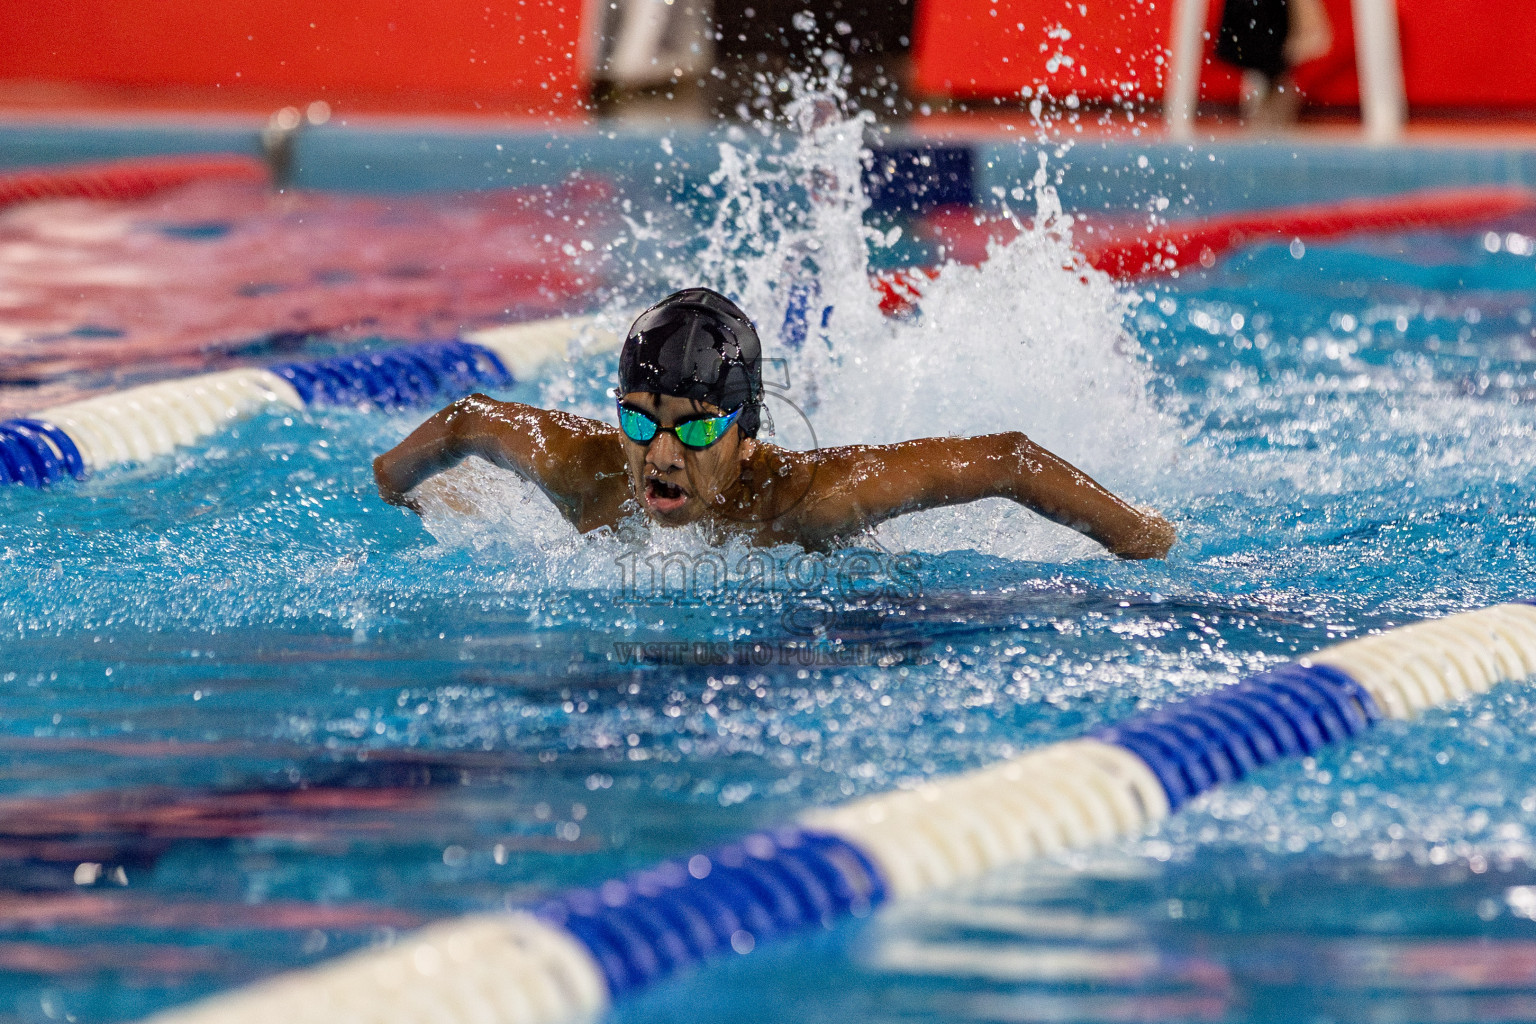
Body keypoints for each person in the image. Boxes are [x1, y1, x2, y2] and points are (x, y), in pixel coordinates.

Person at [374, 288, 1176, 558]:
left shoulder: (804, 500)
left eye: (693, 429)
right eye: (641, 422)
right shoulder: (584, 470)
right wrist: (398, 493)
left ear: (746, 433)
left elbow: (1008, 458)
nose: (660, 453)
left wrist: (1141, 539)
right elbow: (465, 419)